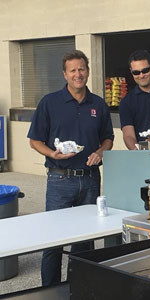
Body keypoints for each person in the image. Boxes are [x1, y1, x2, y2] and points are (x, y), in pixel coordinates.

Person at [27, 50, 114, 286]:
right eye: (73, 70)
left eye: (82, 69)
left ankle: (80, 288)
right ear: (65, 74)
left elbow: (108, 138)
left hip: (89, 180)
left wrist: (99, 152)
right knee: (54, 241)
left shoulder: (98, 104)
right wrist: (51, 153)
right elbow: (35, 140)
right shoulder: (49, 103)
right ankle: (51, 290)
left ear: (88, 71)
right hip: (59, 180)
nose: (78, 74)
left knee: (85, 242)